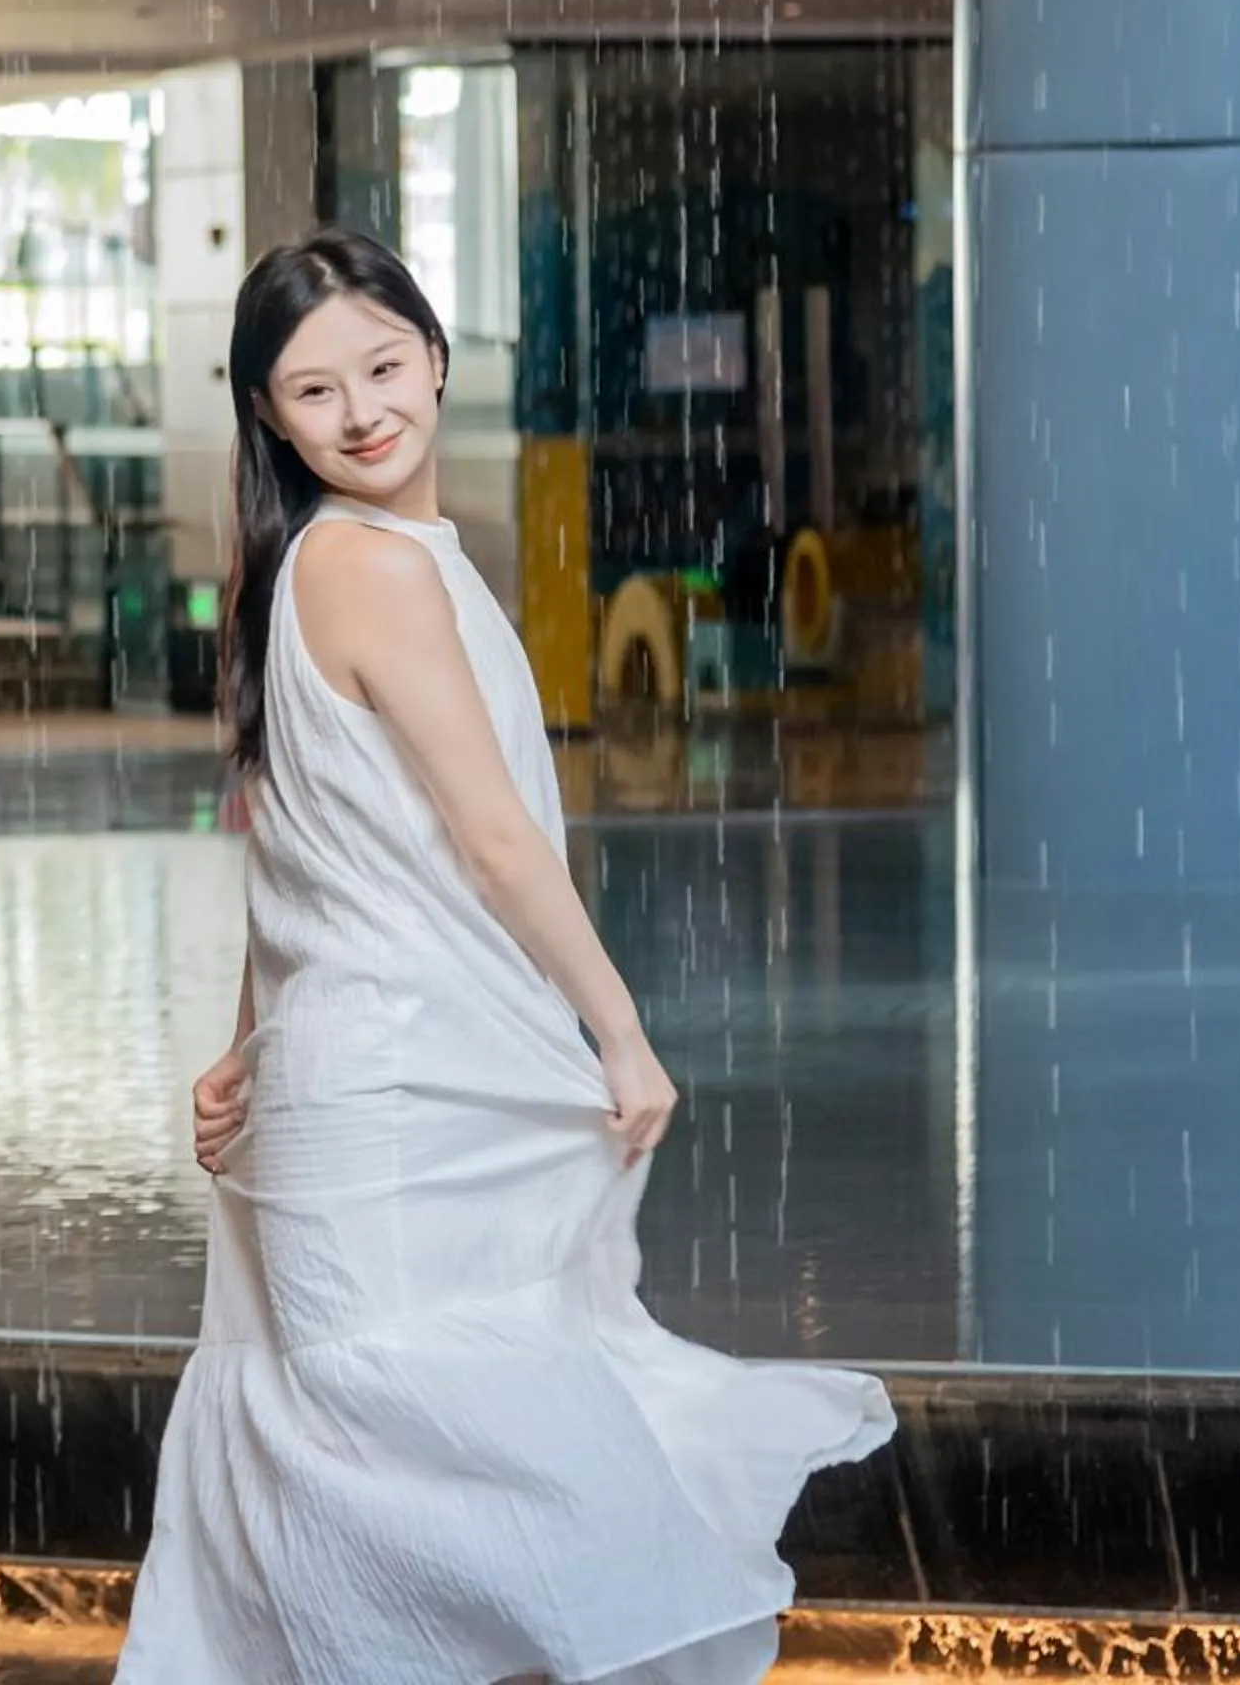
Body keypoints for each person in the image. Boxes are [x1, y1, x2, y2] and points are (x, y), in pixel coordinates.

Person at [117, 233, 893, 1684]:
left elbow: (296, 840)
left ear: (438, 356)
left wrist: (245, 1043)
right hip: (397, 1081)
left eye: (383, 367)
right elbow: (491, 837)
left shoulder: (324, 566)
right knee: (422, 1434)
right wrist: (622, 1028)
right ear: (269, 417)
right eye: (312, 390)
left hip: (367, 1068)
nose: (360, 412)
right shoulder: (367, 570)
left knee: (366, 1439)